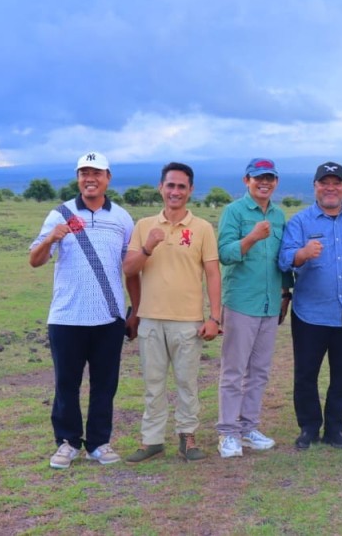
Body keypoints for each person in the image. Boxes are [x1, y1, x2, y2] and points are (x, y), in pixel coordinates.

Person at [29, 151, 141, 470]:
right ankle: (66, 442)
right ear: (78, 178)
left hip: (109, 317)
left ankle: (98, 443)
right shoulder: (59, 214)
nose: (89, 178)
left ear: (108, 178)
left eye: (96, 173)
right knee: (67, 383)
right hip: (66, 317)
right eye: (83, 173)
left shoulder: (121, 217)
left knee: (105, 384)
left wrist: (135, 311)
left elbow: (131, 268)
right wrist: (52, 236)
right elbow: (35, 261)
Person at [122, 162, 222, 462]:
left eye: (182, 186)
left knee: (187, 382)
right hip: (150, 319)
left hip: (188, 321)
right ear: (160, 188)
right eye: (170, 185)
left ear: (190, 191)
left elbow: (213, 273)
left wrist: (214, 317)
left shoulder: (202, 228)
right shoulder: (144, 226)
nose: (175, 191)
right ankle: (151, 440)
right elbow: (128, 269)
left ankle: (187, 438)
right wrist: (148, 247)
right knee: (153, 384)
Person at [278, 161, 342, 450]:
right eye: (324, 182)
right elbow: (284, 259)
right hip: (310, 312)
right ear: (315, 186)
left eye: (336, 182)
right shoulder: (300, 221)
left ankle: (335, 429)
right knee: (306, 374)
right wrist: (302, 253)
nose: (330, 188)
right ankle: (308, 427)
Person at [215, 158, 293, 459]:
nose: (265, 182)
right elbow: (225, 254)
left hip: (269, 303)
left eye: (270, 178)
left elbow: (281, 260)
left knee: (259, 371)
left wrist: (285, 294)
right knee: (234, 371)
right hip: (241, 303)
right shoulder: (233, 211)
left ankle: (248, 428)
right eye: (259, 177)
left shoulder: (278, 214)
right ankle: (227, 432)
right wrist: (251, 238)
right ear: (247, 180)